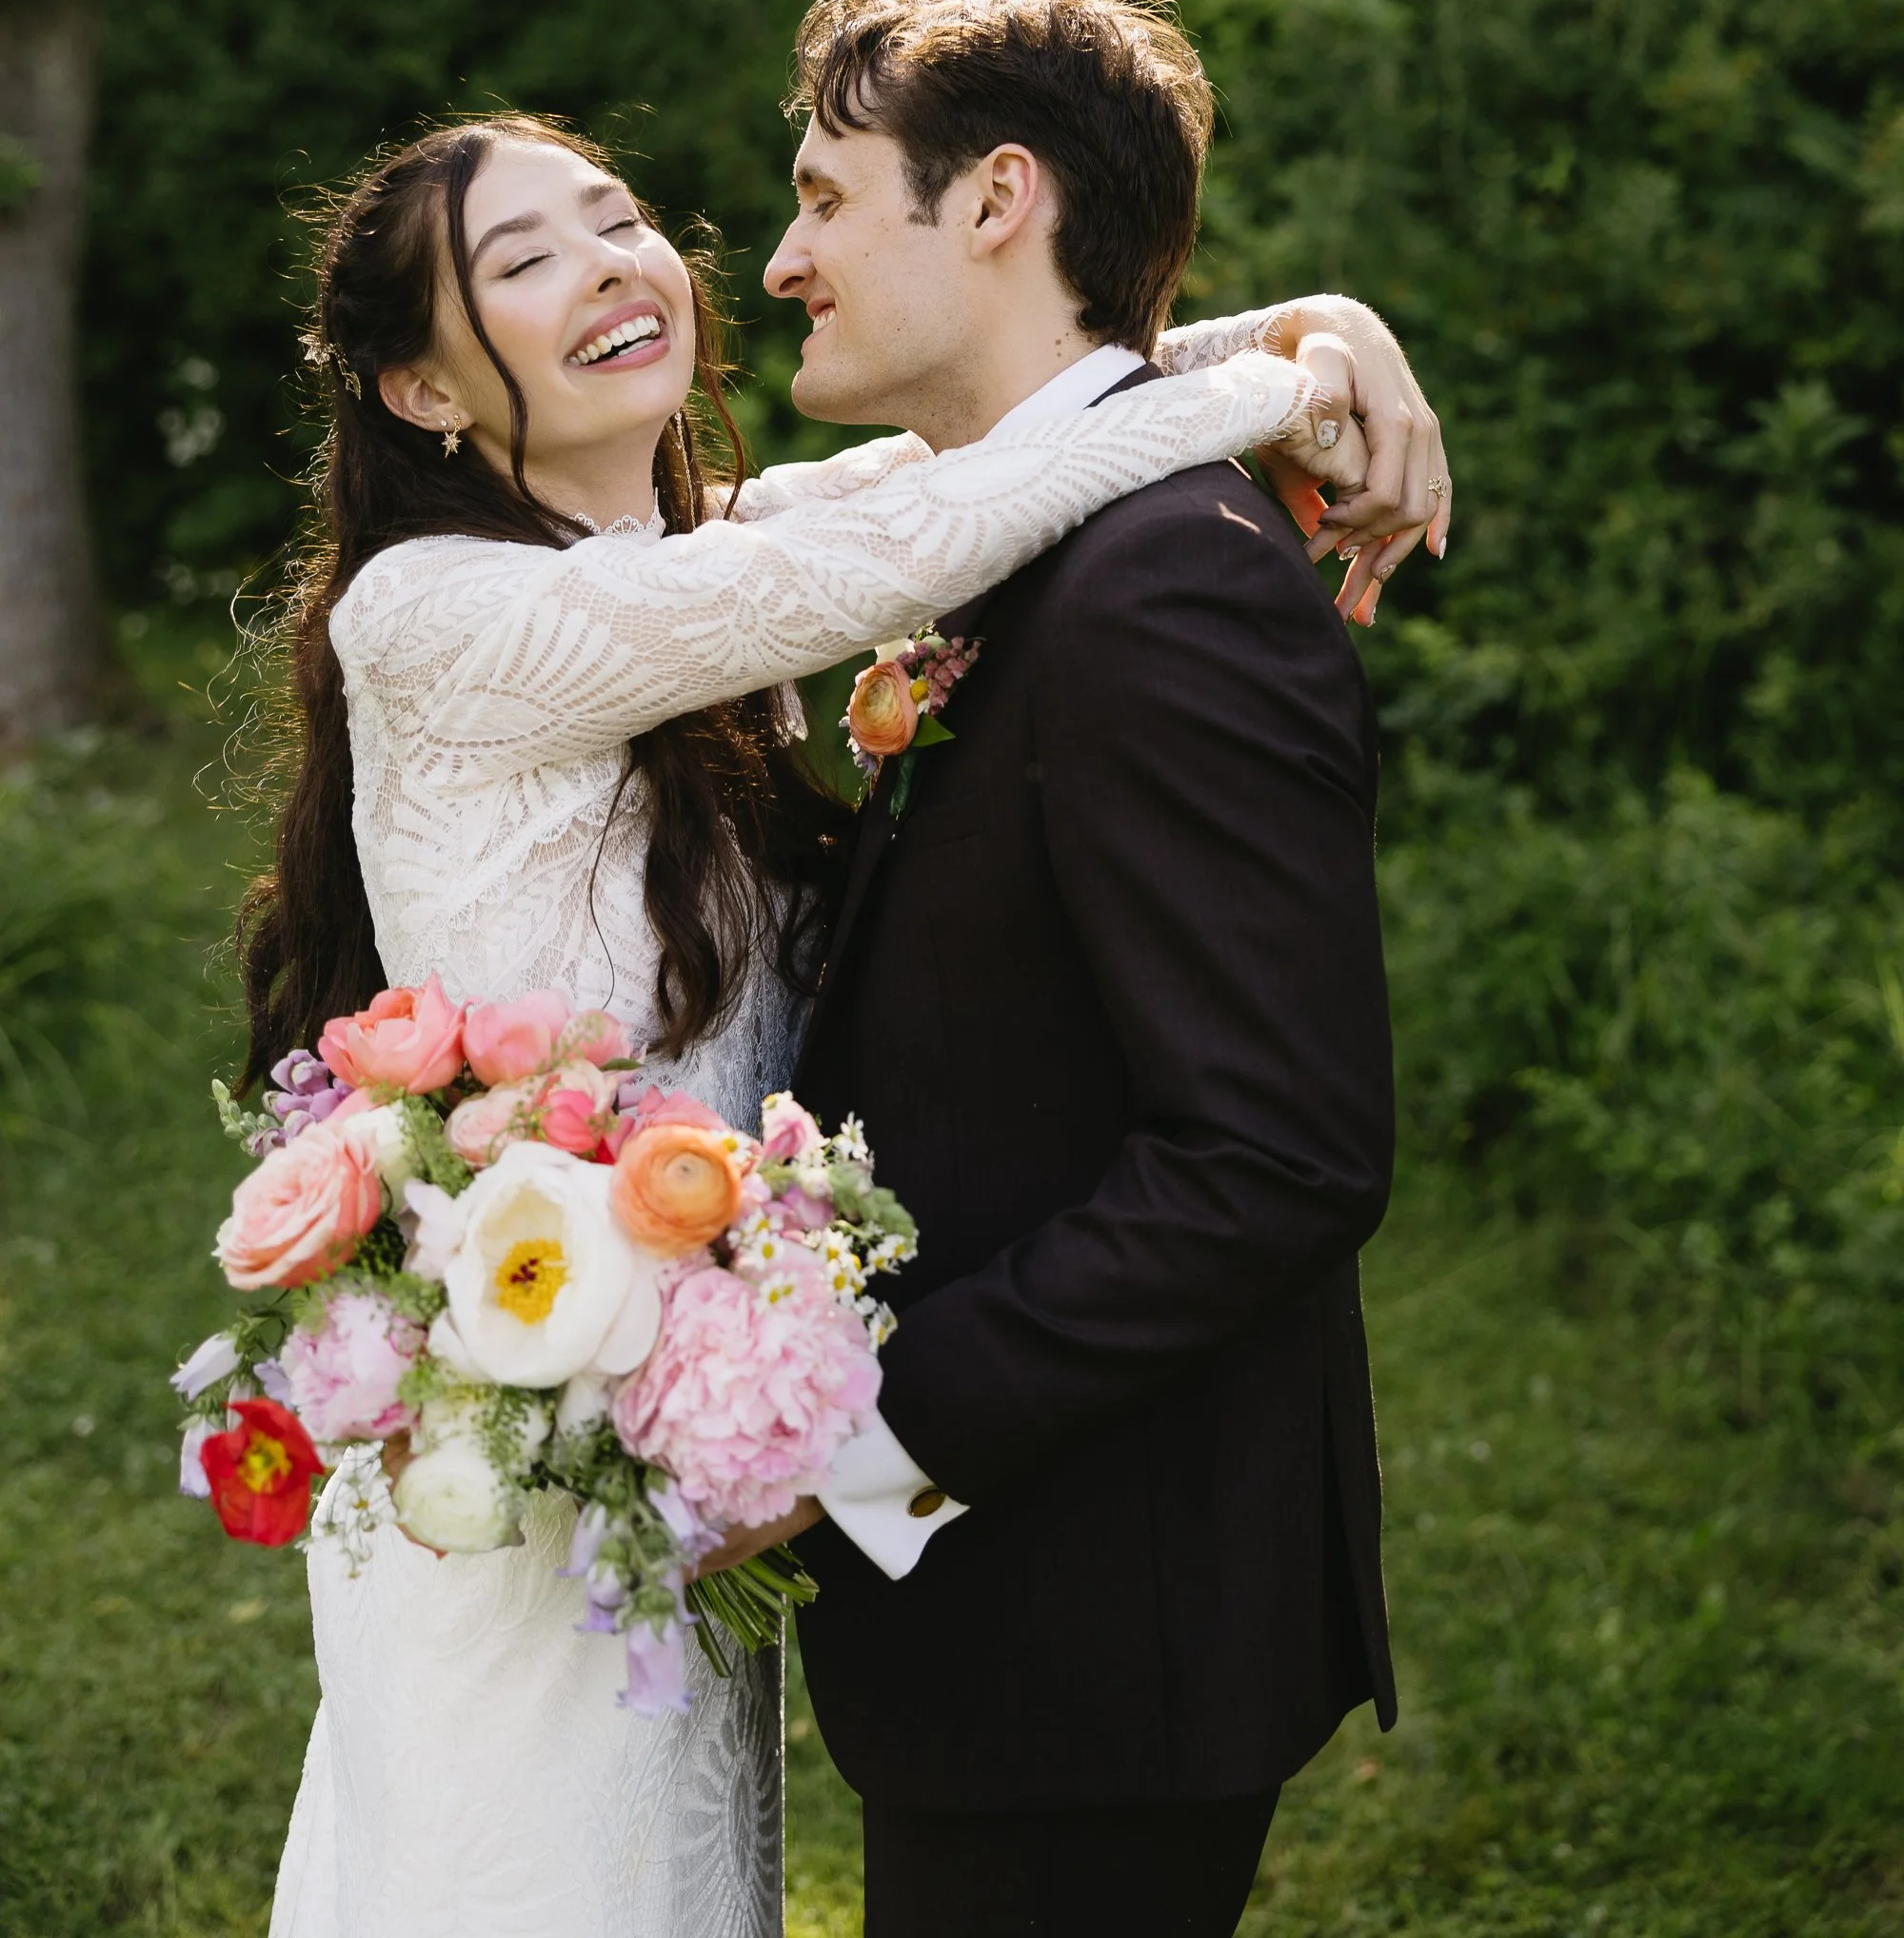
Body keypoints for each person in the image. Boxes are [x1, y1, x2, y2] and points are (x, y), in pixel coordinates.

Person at [250, 98, 1439, 1938]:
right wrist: (1284, 386)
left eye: (615, 214)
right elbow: (930, 527)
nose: (610, 265)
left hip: (684, 1455)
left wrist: (1319, 332)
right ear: (422, 393)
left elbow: (981, 443)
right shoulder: (439, 612)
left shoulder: (694, 550)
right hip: (540, 1467)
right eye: (521, 261)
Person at [702, 0, 1443, 1938]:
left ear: (999, 198)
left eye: (827, 198)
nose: (782, 262)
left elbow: (1277, 1155)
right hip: (1019, 1605)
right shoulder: (1021, 529)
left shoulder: (1167, 587)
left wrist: (859, 1446)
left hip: (1107, 1618)